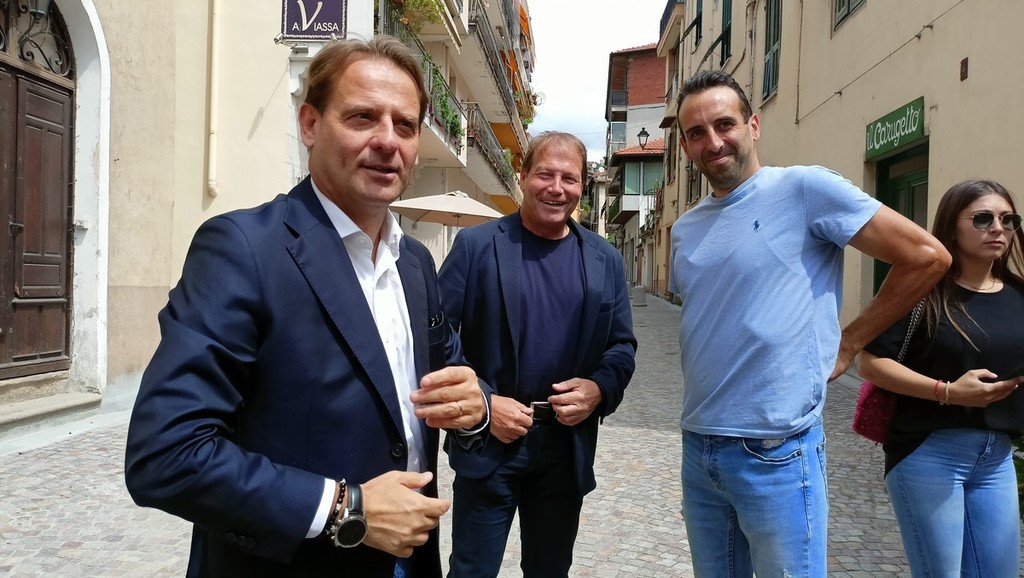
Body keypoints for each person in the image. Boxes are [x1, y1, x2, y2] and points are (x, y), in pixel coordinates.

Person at [123, 35, 490, 578]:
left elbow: (448, 377)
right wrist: (346, 509)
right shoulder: (243, 250)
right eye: (363, 117)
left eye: (405, 125)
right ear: (310, 124)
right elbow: (165, 455)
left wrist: (477, 407)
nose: (387, 141)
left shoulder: (414, 262)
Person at [668, 69, 951, 576]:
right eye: (696, 133)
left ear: (754, 125)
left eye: (725, 124)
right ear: (686, 146)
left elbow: (927, 257)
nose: (713, 142)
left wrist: (850, 342)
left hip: (776, 451)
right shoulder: (685, 229)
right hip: (699, 447)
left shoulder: (804, 189)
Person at [437, 131, 637, 578]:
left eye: (569, 178)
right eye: (545, 174)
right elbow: (435, 335)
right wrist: (484, 403)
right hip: (489, 441)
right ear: (523, 176)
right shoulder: (476, 247)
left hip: (564, 448)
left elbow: (621, 346)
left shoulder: (605, 259)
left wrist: (598, 388)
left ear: (582, 187)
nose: (556, 188)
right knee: (471, 571)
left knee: (550, 571)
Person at [857, 179, 1024, 577]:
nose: (998, 228)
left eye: (1008, 219)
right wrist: (946, 391)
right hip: (930, 453)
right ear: (951, 224)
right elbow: (870, 363)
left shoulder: (1019, 294)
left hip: (997, 457)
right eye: (982, 218)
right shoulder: (921, 290)